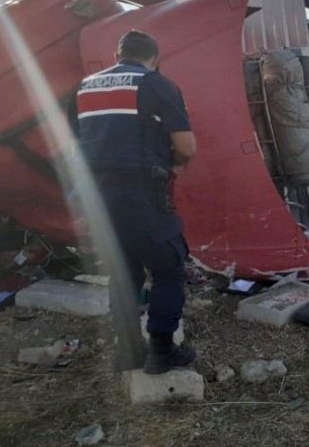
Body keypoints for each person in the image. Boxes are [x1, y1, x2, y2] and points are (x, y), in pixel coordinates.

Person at [70, 30, 197, 374]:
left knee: (123, 273)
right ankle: (161, 351)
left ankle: (128, 353)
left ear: (117, 56)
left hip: (97, 198)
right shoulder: (156, 83)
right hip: (140, 193)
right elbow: (186, 147)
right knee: (169, 265)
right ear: (154, 58)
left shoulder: (86, 87)